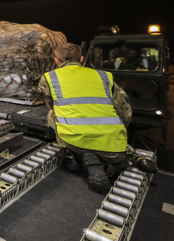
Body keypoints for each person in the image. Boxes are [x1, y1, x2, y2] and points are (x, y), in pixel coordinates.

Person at [38, 43, 157, 194]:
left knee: (52, 113)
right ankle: (112, 165)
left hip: (73, 138)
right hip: (112, 142)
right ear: (81, 59)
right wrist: (118, 131)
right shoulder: (104, 76)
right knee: (120, 161)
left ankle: (79, 156)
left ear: (56, 61)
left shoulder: (49, 77)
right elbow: (125, 111)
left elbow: (51, 105)